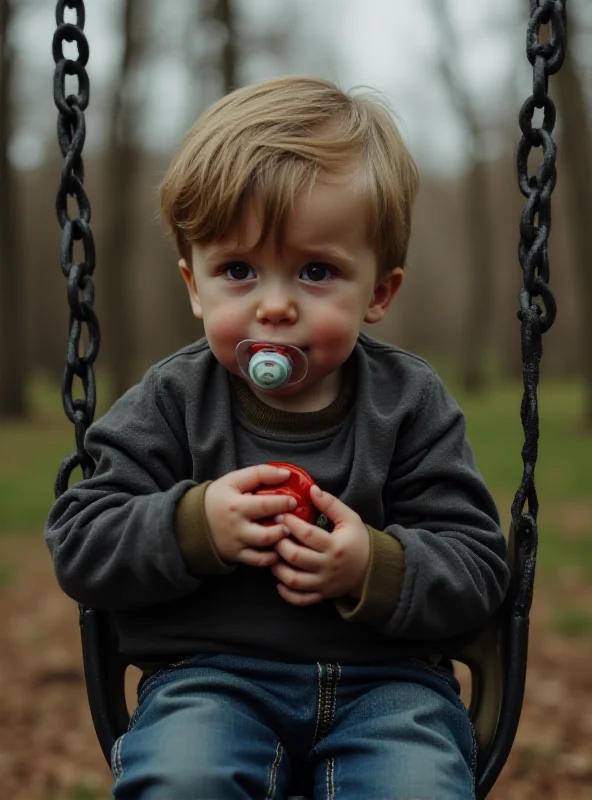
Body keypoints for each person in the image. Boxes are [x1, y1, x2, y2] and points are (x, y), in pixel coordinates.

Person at [45, 75, 510, 800]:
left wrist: (373, 567)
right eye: (237, 271)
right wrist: (193, 526)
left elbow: (479, 566)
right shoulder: (173, 401)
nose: (273, 304)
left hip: (392, 692)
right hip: (211, 684)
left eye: (315, 271)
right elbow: (80, 542)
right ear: (194, 285)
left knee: (414, 786)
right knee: (184, 778)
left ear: (378, 293)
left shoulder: (409, 405)